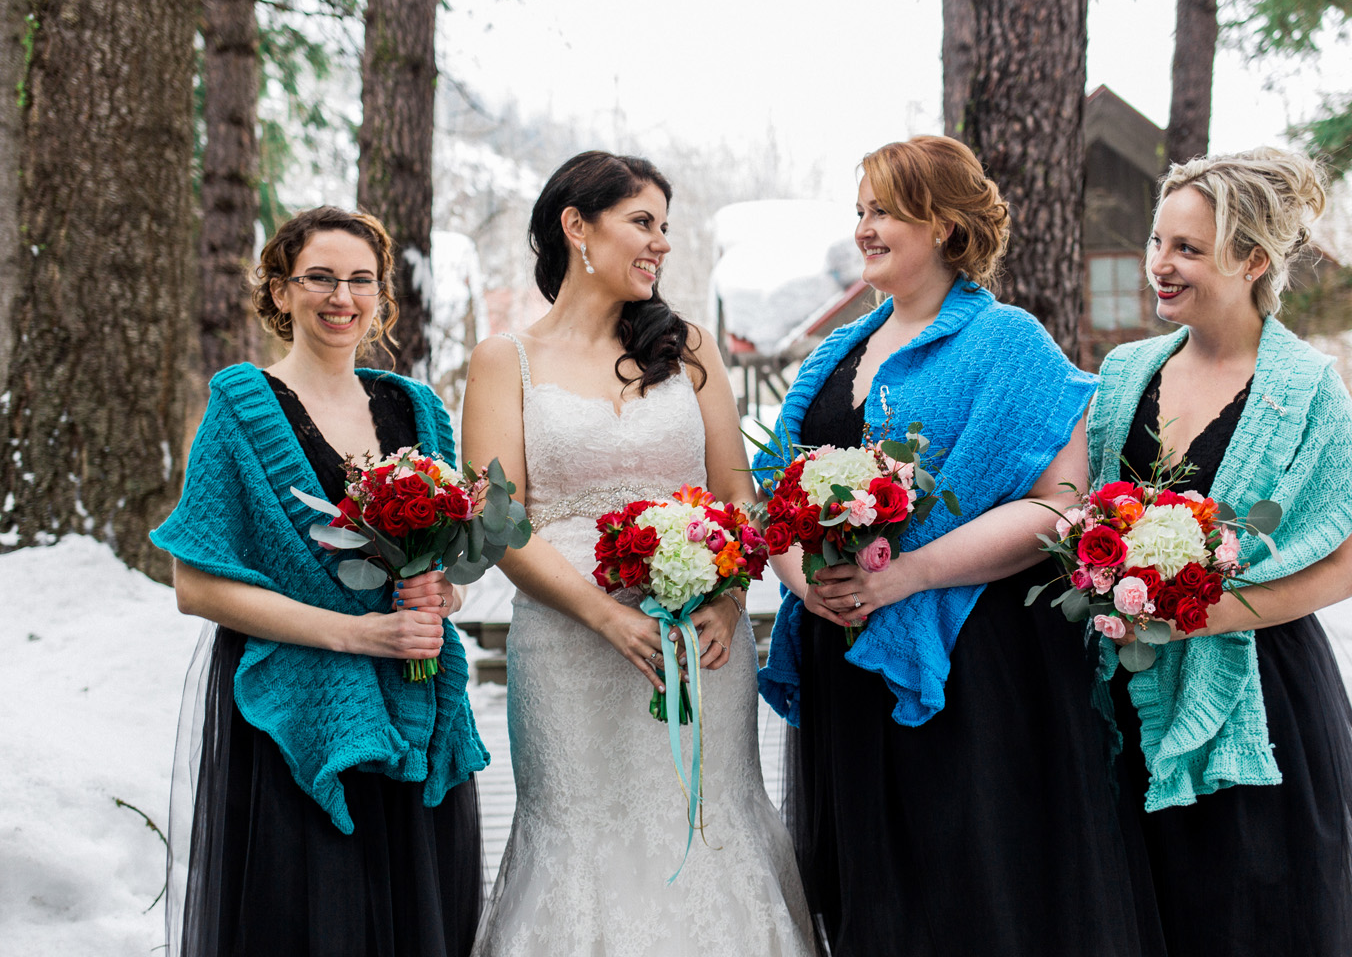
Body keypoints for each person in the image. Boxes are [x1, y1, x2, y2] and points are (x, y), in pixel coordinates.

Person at [753, 135, 1157, 956]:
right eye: (859, 211)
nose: (865, 228)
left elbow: (1063, 503)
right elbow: (774, 494)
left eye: (886, 211)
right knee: (870, 893)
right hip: (844, 655)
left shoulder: (1006, 341)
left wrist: (909, 575)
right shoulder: (836, 352)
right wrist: (804, 586)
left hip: (971, 658)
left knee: (966, 888)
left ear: (942, 225)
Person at [462, 151, 813, 956]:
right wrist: (602, 618)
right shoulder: (504, 360)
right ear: (576, 226)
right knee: (579, 831)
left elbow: (736, 495)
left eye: (666, 227)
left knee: (706, 819)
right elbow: (501, 520)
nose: (660, 244)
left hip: (700, 643)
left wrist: (726, 601)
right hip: (566, 643)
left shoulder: (688, 348)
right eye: (642, 223)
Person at [1090, 147, 1352, 956]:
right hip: (1122, 685)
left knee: (1244, 913)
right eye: (1158, 242)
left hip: (1255, 692)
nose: (1160, 266)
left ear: (1253, 261)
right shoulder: (1124, 372)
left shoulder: (1304, 386)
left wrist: (1198, 618)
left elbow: (1345, 566)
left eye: (1188, 250)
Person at [151, 207, 487, 956]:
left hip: (413, 696)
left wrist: (440, 590)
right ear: (279, 290)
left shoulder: (418, 409)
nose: (343, 297)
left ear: (381, 292)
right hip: (295, 709)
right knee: (312, 918)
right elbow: (195, 586)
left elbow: (446, 559)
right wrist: (358, 632)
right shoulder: (242, 408)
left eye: (361, 279)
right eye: (320, 279)